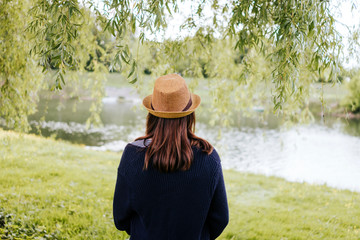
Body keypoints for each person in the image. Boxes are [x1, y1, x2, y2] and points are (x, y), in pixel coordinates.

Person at [113, 73, 229, 240]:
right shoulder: (208, 157)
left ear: (151, 115)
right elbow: (220, 219)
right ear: (190, 115)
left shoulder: (132, 156)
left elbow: (120, 218)